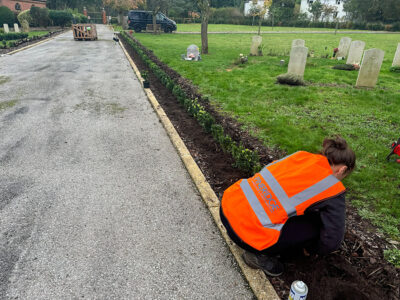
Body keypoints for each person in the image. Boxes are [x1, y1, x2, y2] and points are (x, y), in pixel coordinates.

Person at [220, 137, 356, 276]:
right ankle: (259, 256)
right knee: (315, 225)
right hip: (245, 236)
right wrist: (311, 249)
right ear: (342, 169)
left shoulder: (300, 156)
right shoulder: (332, 187)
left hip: (227, 208)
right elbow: (332, 241)